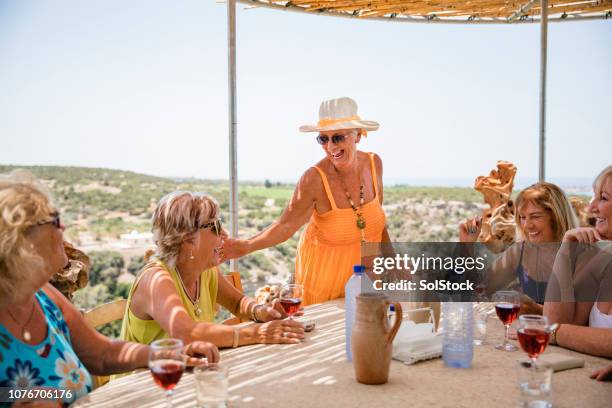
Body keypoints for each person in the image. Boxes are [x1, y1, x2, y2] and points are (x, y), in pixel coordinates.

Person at [0, 171, 219, 405]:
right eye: (54, 220)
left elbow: (103, 354)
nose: (63, 227)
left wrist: (161, 355)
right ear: (20, 240)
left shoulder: (45, 297)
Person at [224, 97, 389, 305]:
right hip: (324, 278)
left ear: (357, 136)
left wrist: (395, 263)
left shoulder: (374, 164)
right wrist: (246, 246)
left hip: (365, 276)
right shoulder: (314, 179)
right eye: (323, 139)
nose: (330, 147)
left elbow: (379, 224)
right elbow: (284, 226)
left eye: (337, 138)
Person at [120, 191, 304, 349]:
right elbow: (186, 333)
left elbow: (237, 303)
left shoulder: (205, 270)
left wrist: (261, 311)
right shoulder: (155, 279)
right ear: (187, 238)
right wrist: (255, 333)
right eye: (215, 226)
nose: (224, 233)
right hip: (147, 384)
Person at [460, 182, 579, 306]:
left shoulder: (578, 255)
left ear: (557, 217)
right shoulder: (520, 251)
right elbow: (480, 287)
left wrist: (533, 307)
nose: (527, 225)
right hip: (527, 326)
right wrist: (466, 245)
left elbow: (577, 319)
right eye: (522, 217)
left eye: (536, 216)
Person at [543, 165, 612, 360]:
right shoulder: (603, 258)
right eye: (594, 196)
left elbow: (552, 329)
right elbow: (554, 320)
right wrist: (565, 252)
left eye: (604, 198)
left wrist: (558, 333)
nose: (591, 208)